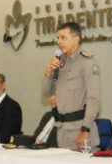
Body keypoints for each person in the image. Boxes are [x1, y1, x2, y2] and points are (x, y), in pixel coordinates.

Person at [41, 22, 101, 151]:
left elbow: (93, 99)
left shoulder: (87, 62)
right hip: (62, 130)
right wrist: (48, 73)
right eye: (58, 38)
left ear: (76, 39)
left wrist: (85, 130)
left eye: (63, 38)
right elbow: (46, 93)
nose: (59, 42)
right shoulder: (59, 64)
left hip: (80, 132)